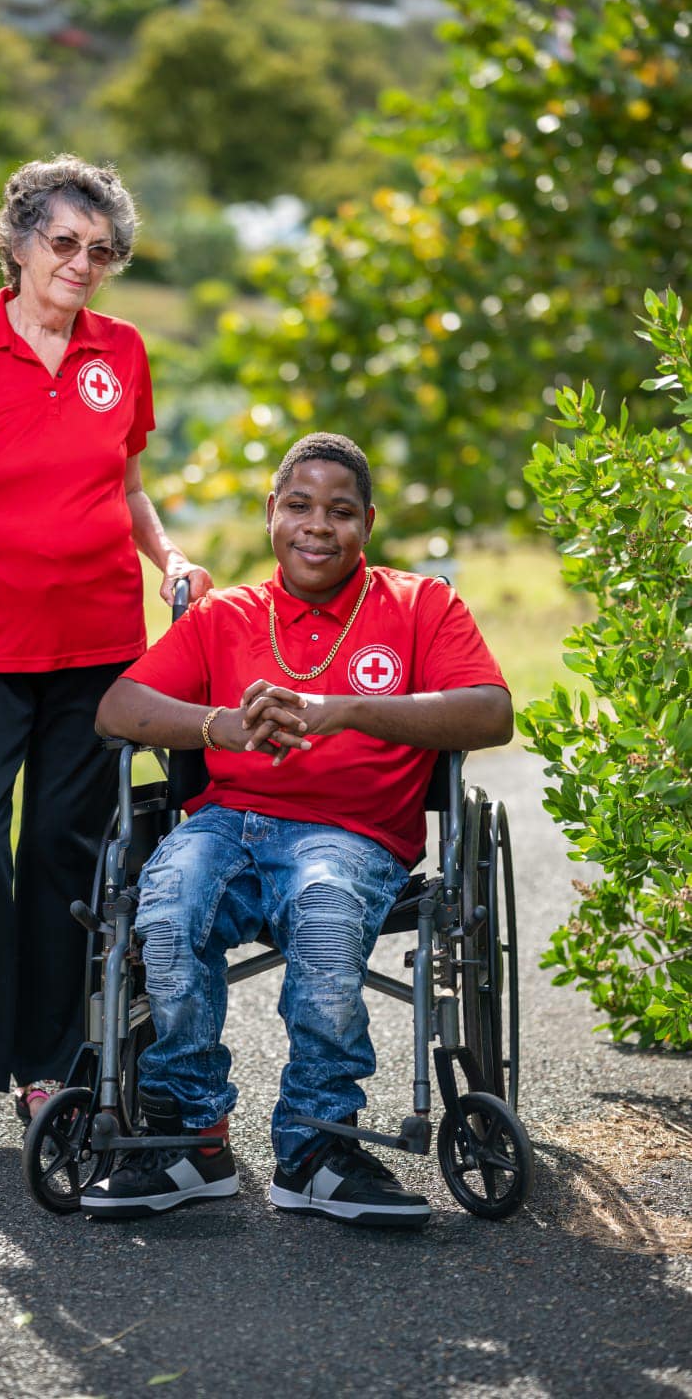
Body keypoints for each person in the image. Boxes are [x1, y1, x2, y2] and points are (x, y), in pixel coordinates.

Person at [82, 432, 513, 1225]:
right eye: (301, 506)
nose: (319, 526)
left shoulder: (421, 605)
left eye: (341, 512)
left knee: (322, 913)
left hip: (351, 833)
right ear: (271, 513)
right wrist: (220, 726)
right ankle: (189, 1139)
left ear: (367, 524)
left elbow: (491, 712)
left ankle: (317, 1146)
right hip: (225, 826)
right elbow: (117, 708)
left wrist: (342, 711)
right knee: (168, 911)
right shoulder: (226, 615)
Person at [0, 154, 211, 1168]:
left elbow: (127, 487)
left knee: (67, 856)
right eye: (64, 242)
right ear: (19, 242)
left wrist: (169, 557)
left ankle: (47, 1068)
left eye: (101, 252)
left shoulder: (124, 351)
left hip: (98, 653)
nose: (81, 263)